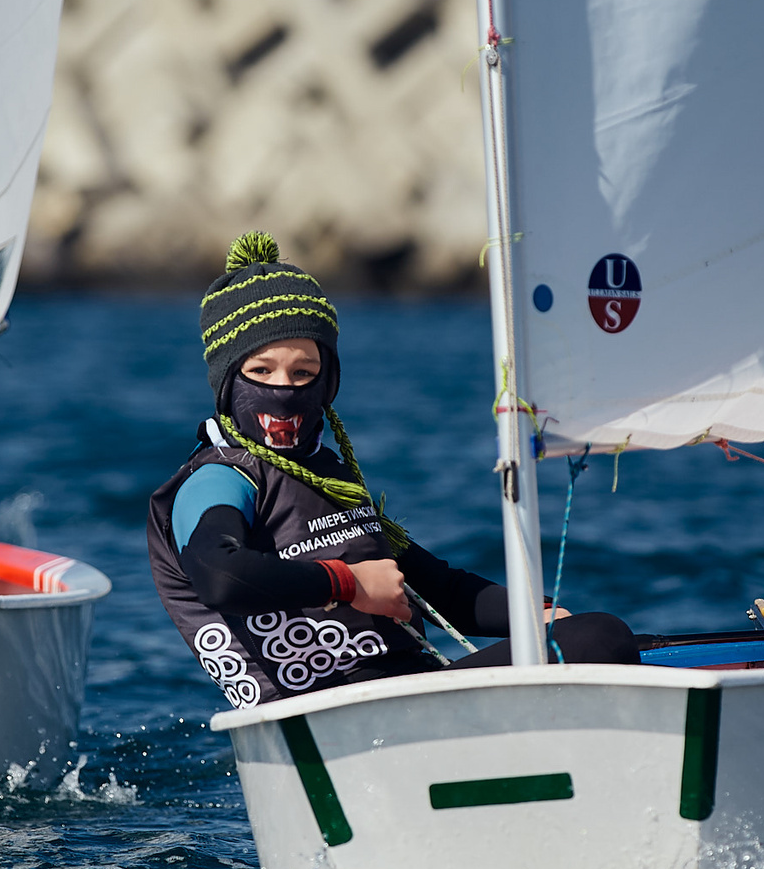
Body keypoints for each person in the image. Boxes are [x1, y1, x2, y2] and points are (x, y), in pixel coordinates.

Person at [146, 232, 641, 708]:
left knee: (593, 631)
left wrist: (534, 612)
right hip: (330, 716)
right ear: (229, 382)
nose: (283, 388)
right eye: (261, 371)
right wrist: (348, 584)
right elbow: (219, 574)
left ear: (328, 382)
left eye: (303, 373)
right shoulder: (217, 479)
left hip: (410, 695)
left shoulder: (328, 476)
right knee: (600, 639)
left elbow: (438, 588)